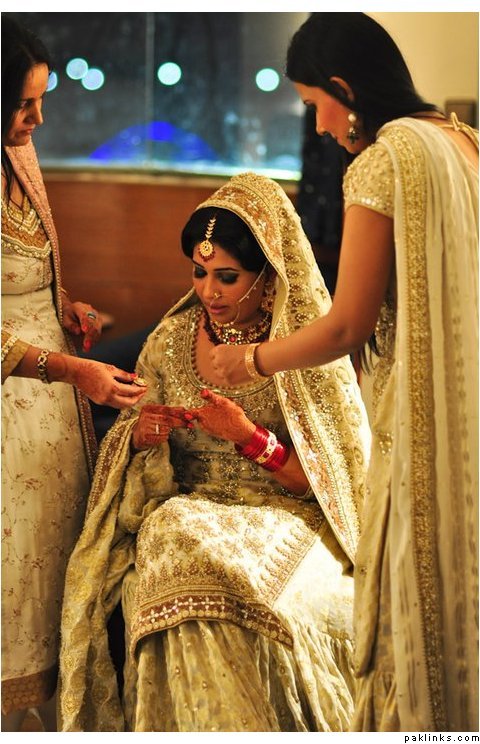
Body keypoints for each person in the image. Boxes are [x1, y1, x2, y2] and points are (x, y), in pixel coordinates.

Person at [210, 12, 478, 733]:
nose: (321, 127)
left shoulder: (382, 163)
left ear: (343, 88)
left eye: (314, 104)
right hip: (470, 410)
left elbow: (346, 324)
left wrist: (250, 359)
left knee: (417, 597)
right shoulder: (463, 141)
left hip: (422, 419)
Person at [58, 172, 371, 732]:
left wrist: (249, 437)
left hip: (283, 515)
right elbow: (127, 440)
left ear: (268, 275)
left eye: (228, 277)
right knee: (177, 537)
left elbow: (331, 482)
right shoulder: (169, 340)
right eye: (198, 274)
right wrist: (142, 435)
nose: (208, 292)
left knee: (211, 573)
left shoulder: (302, 349)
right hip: (186, 508)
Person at [1, 17, 146, 732]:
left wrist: (67, 306)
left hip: (56, 397)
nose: (38, 118)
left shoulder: (19, 153)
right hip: (15, 395)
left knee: (57, 550)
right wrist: (66, 367)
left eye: (41, 100)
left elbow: (26, 270)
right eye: (23, 104)